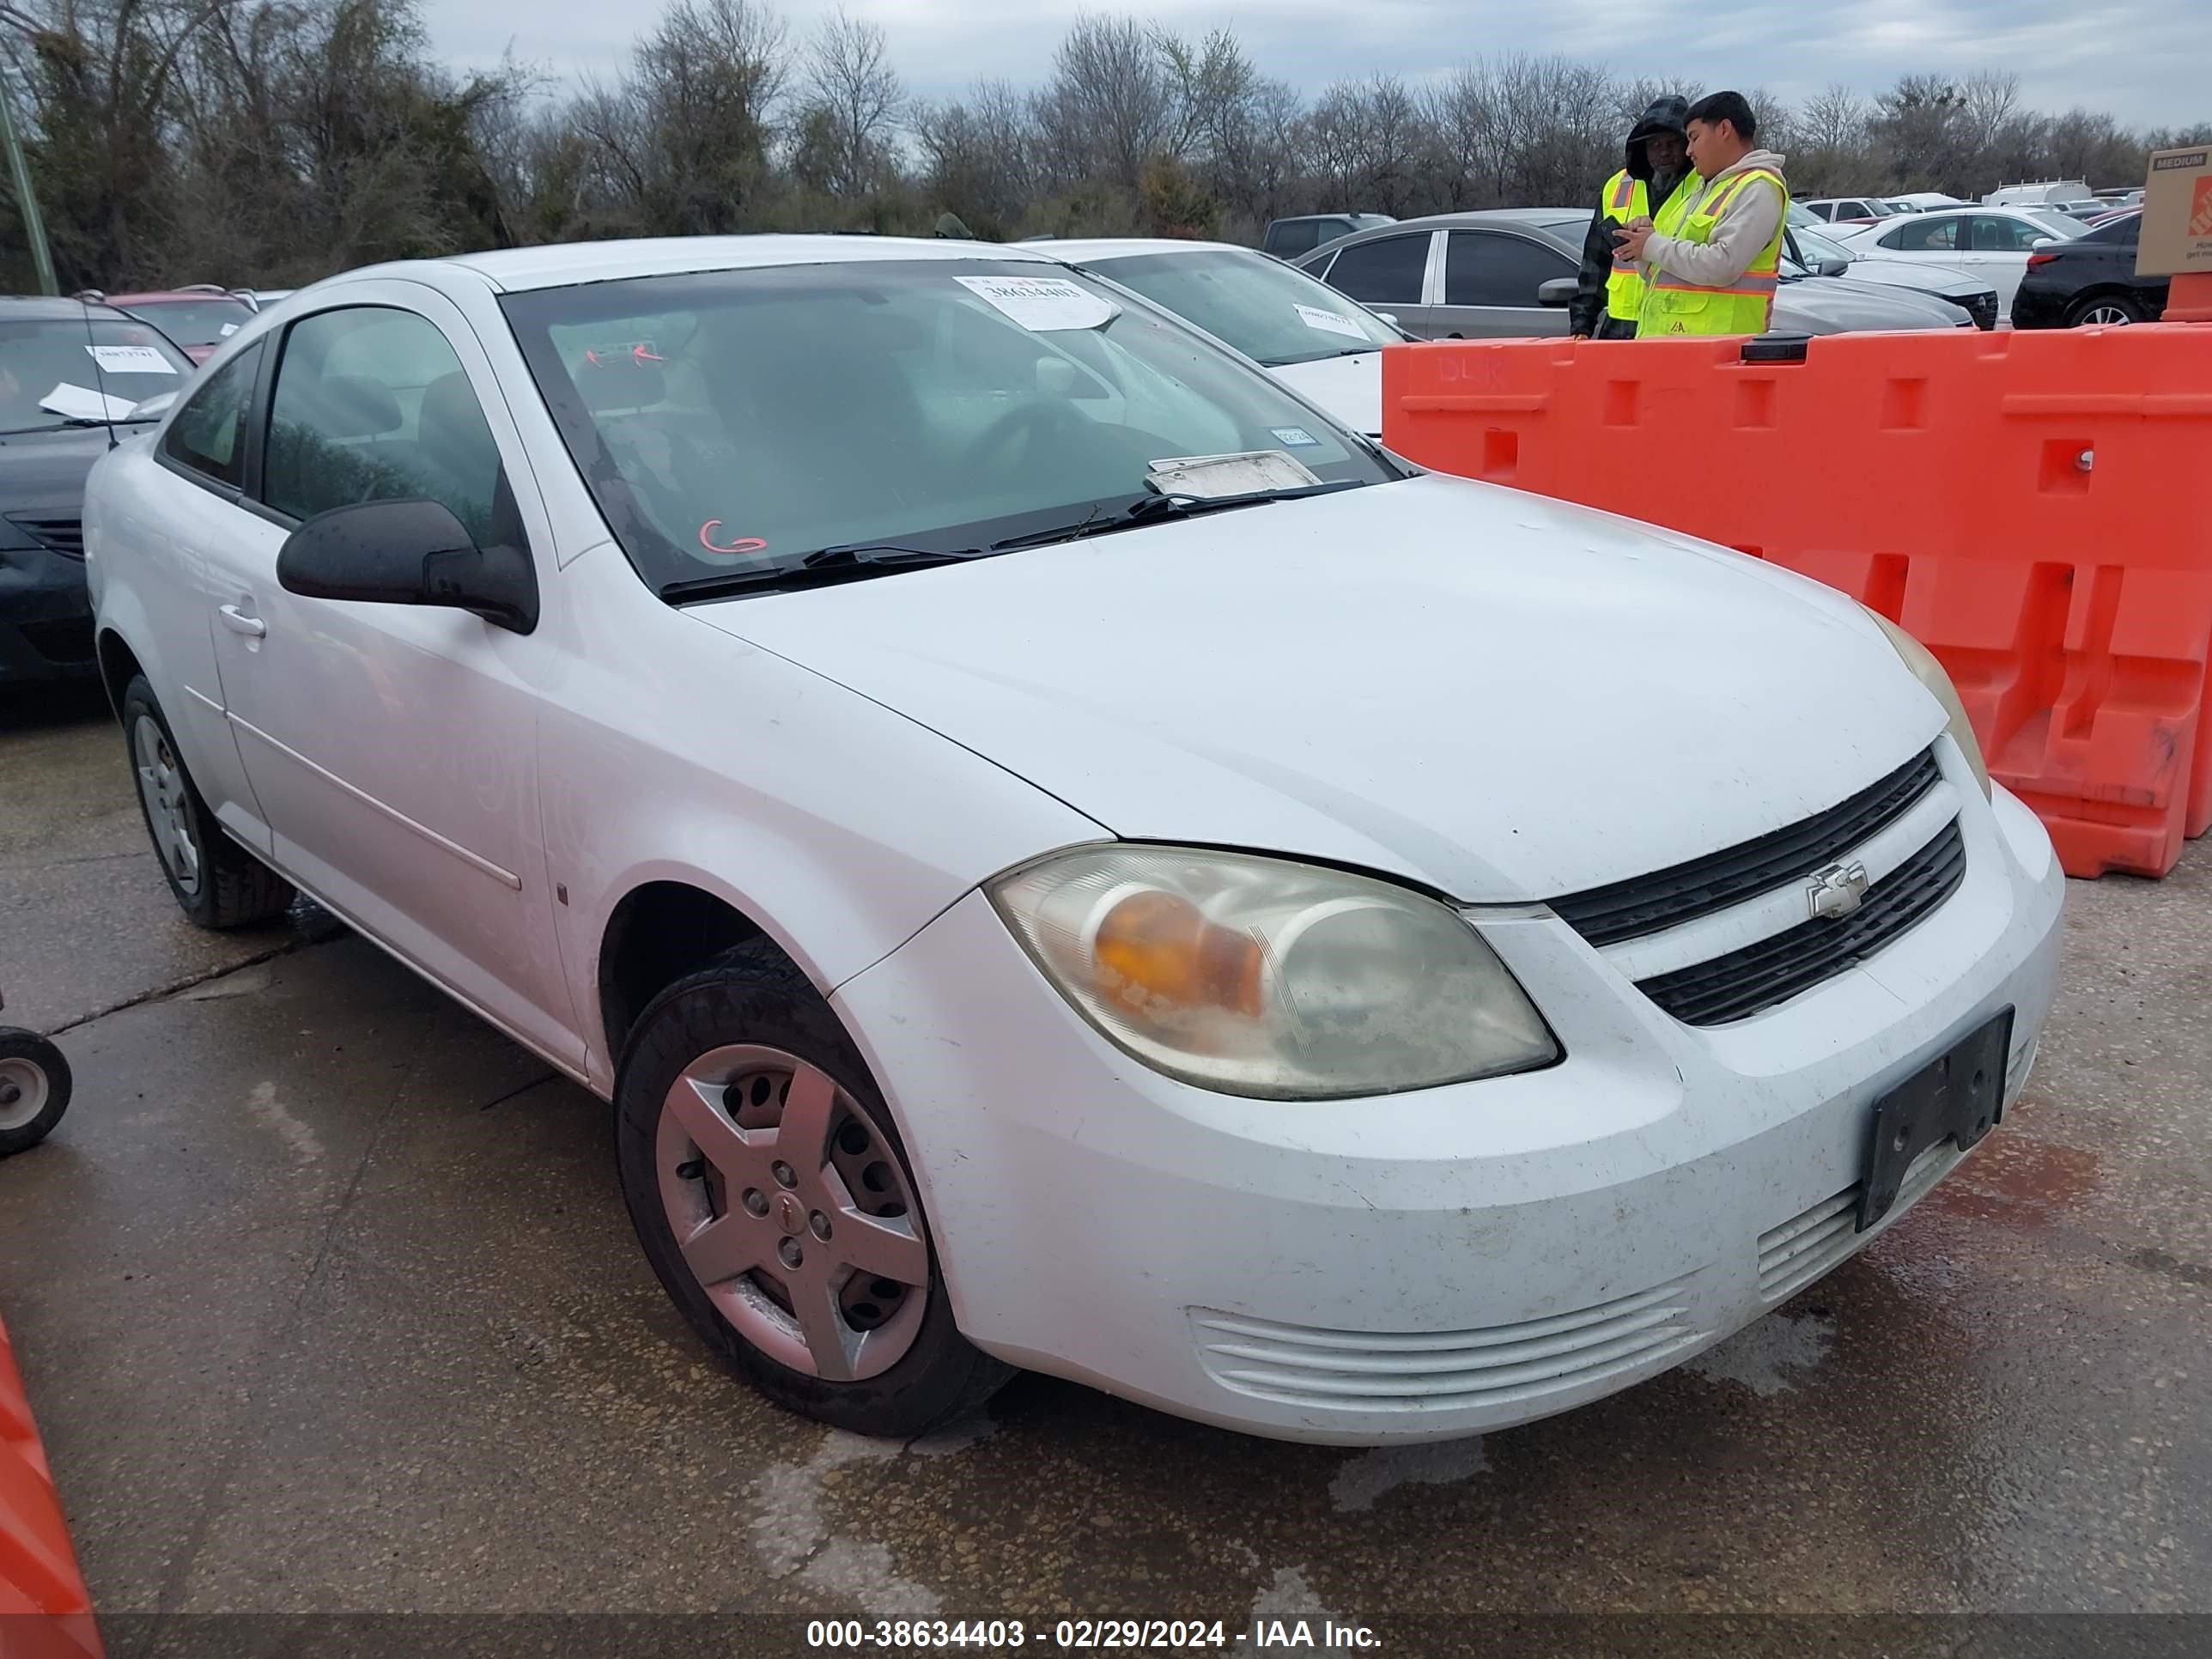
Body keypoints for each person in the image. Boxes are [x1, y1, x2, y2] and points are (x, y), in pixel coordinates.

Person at [1613, 90, 1790, 337]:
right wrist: (1643, 246)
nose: (1688, 151)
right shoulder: (1704, 189)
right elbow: (1662, 273)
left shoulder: (1757, 187)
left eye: (1694, 138)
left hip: (1715, 353)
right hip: (1672, 349)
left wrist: (1653, 245)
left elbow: (1723, 264)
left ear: (1724, 129)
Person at [1570, 96, 1697, 341]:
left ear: (1686, 145)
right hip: (1620, 325)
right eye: (1655, 145)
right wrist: (1582, 325)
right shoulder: (1617, 187)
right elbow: (1595, 262)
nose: (1664, 153)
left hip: (1675, 324)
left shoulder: (1703, 185)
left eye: (1672, 143)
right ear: (1643, 148)